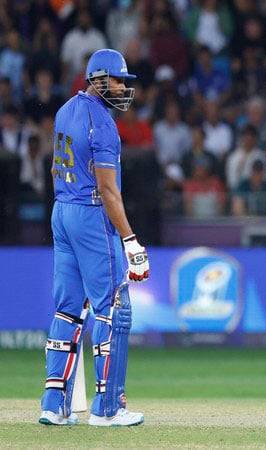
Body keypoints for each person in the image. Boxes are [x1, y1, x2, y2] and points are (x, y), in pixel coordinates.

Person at [39, 49, 149, 427]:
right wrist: (130, 239)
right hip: (89, 215)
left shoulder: (65, 110)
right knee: (111, 307)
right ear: (97, 79)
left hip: (61, 212)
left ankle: (53, 405)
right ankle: (106, 407)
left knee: (67, 310)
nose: (122, 87)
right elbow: (108, 190)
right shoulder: (102, 123)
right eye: (117, 80)